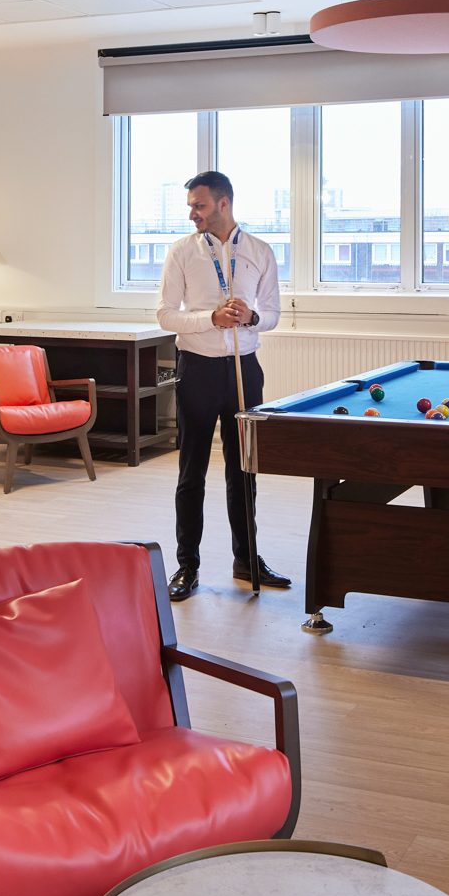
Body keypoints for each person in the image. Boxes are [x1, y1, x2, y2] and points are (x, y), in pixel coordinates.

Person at [156, 171, 290, 601]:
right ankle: (187, 566)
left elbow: (272, 314)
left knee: (243, 469)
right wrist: (209, 319)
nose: (192, 213)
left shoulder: (260, 252)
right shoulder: (181, 252)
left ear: (223, 204)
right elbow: (165, 315)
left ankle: (247, 559)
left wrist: (250, 317)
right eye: (191, 205)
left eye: (199, 205)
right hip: (196, 368)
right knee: (191, 471)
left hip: (243, 370)